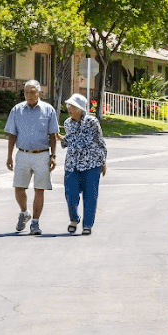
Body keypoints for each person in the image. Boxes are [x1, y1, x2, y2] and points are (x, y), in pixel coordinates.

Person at [3, 80, 60, 236]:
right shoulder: (16, 110)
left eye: (32, 92)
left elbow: (53, 135)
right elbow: (12, 134)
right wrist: (9, 156)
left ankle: (35, 223)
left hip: (41, 154)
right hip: (22, 154)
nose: (29, 95)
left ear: (39, 93)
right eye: (26, 92)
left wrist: (53, 156)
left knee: (39, 189)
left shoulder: (48, 110)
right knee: (19, 187)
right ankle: (24, 212)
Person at [61, 92, 109, 235]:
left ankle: (87, 225)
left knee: (90, 196)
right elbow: (69, 141)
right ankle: (74, 219)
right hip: (72, 164)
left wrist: (103, 161)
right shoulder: (67, 123)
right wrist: (63, 140)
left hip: (92, 164)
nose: (70, 109)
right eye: (69, 106)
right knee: (70, 193)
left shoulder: (92, 122)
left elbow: (92, 141)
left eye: (73, 107)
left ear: (81, 109)